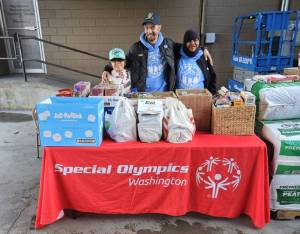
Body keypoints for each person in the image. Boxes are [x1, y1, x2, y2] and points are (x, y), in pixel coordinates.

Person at [102, 12, 213, 92]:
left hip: (164, 94)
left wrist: (203, 48)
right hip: (143, 94)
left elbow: (187, 47)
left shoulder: (168, 44)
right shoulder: (136, 48)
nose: (149, 31)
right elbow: (122, 62)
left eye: (153, 27)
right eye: (146, 27)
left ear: (159, 28)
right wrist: (107, 69)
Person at [175, 29, 216, 94]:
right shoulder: (177, 54)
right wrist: (204, 48)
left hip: (200, 98)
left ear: (199, 41)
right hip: (180, 98)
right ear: (184, 42)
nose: (192, 43)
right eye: (189, 41)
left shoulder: (203, 56)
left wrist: (213, 95)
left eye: (195, 40)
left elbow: (212, 76)